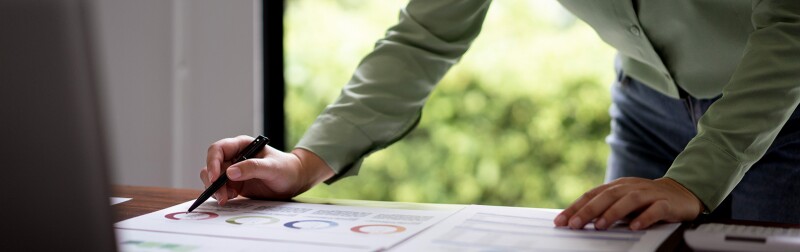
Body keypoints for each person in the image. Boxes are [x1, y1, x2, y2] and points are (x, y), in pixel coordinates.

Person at [200, 0, 800, 230]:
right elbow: (424, 37)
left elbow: (792, 26)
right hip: (647, 102)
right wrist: (305, 162)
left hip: (782, 109)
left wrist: (694, 178)